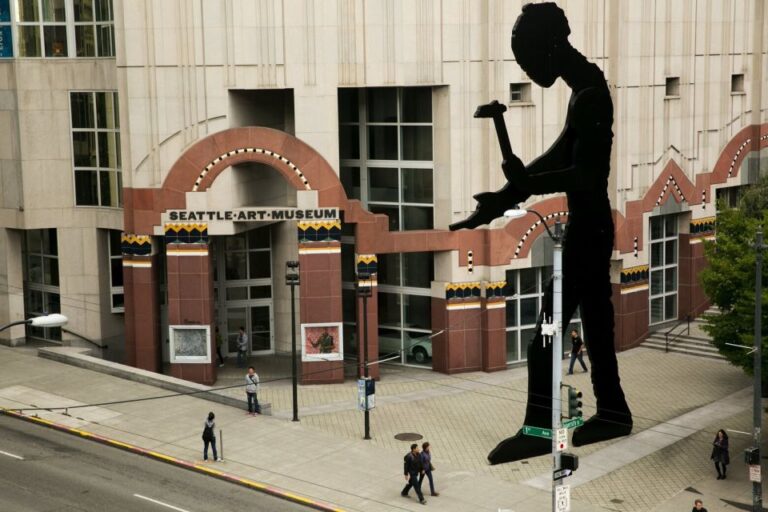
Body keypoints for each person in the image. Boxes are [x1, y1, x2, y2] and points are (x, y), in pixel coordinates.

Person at [452, 2, 632, 464]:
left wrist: (524, 186)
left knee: (545, 335)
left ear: (552, 46)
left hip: (590, 232)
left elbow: (585, 173)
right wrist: (502, 198)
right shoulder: (584, 88)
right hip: (589, 227)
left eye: (530, 61)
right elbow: (556, 158)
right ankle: (612, 409)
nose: (529, 72)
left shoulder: (591, 93)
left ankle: (538, 428)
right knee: (595, 322)